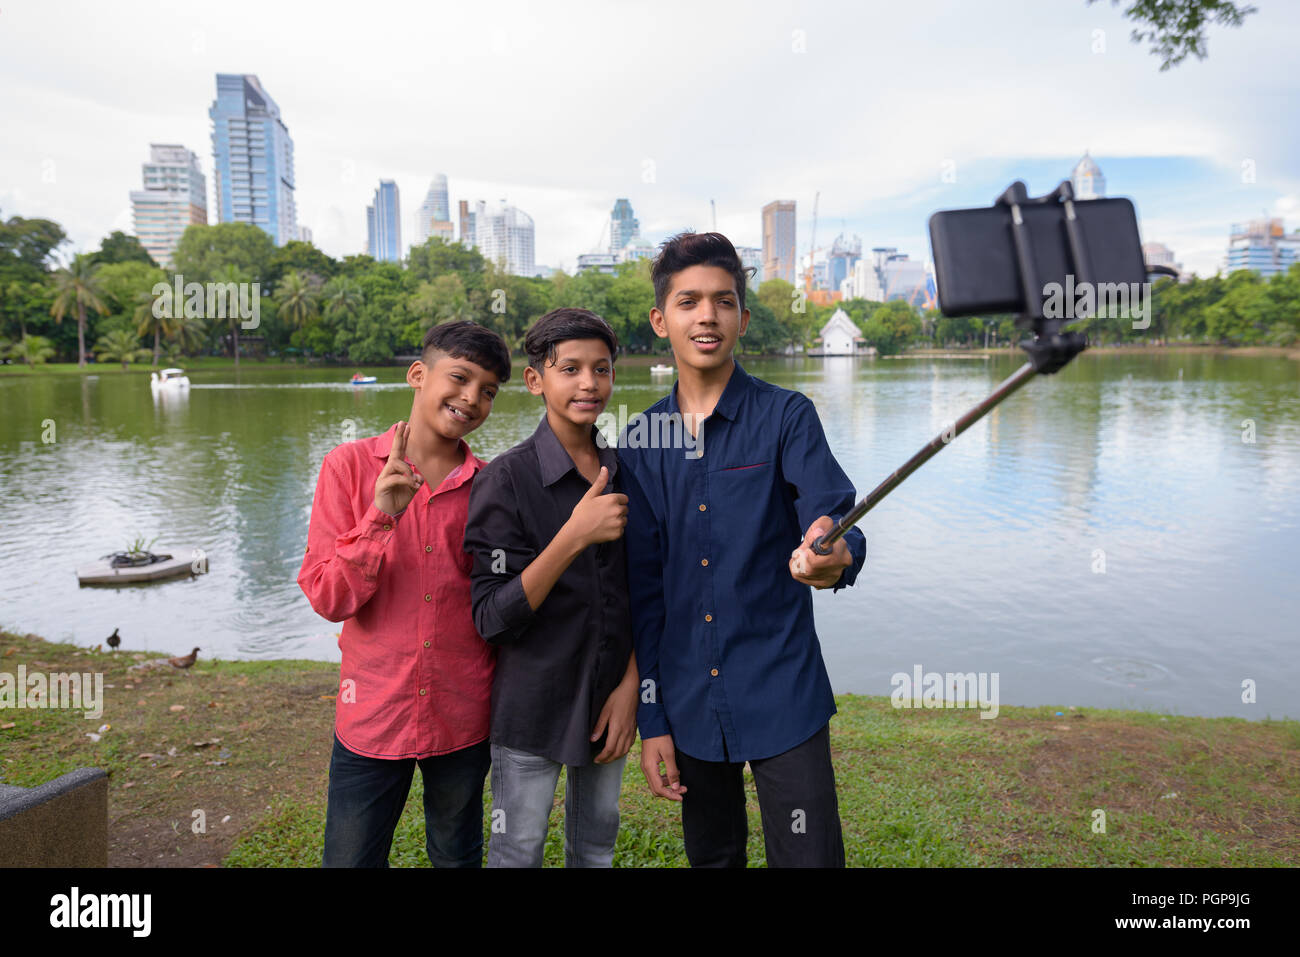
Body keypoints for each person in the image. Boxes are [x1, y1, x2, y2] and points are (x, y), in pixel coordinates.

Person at [619, 232, 867, 867]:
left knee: (808, 857)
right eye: (689, 301)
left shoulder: (787, 417)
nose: (708, 316)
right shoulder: (640, 439)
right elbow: (642, 593)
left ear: (743, 318)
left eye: (724, 301)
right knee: (714, 857)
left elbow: (832, 517)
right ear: (660, 319)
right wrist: (653, 720)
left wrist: (830, 552)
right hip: (686, 697)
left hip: (782, 686)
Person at [297, 320, 511, 867]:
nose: (471, 398)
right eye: (459, 378)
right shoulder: (347, 467)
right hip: (372, 714)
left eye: (488, 390)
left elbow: (498, 602)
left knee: (457, 853)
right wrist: (381, 515)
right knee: (349, 859)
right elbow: (327, 597)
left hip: (462, 713)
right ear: (419, 374)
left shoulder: (491, 485)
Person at [463, 308, 638, 868]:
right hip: (532, 706)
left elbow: (643, 591)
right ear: (537, 379)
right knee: (517, 848)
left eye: (602, 369)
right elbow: (491, 615)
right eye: (570, 369)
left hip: (609, 698)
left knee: (596, 846)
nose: (588, 383)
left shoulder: (626, 471)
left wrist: (630, 686)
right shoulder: (506, 480)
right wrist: (573, 537)